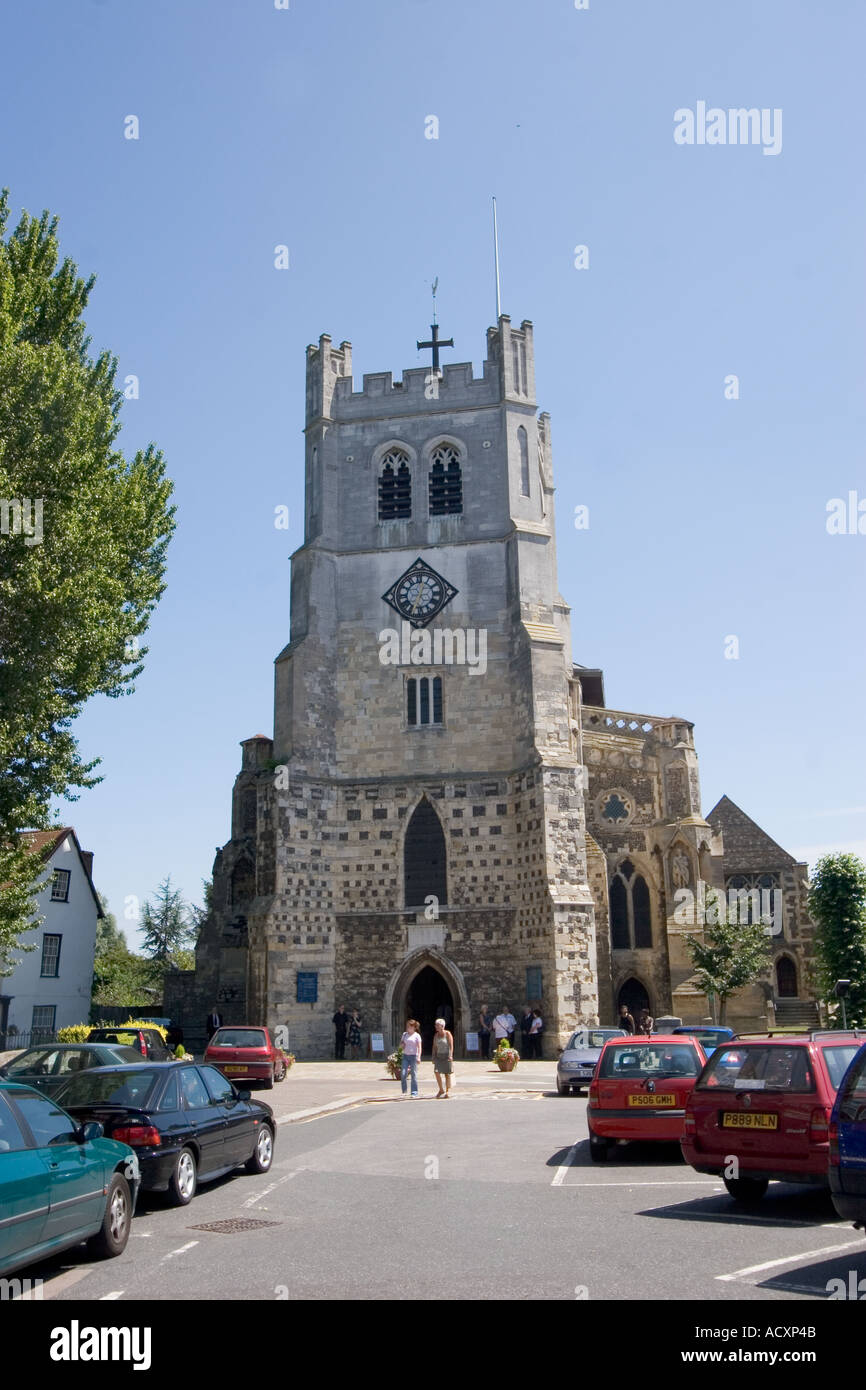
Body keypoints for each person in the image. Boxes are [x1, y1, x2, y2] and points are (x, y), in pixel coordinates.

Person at [432, 1017, 454, 1097]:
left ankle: (448, 1091)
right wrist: (433, 1056)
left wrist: (451, 1055)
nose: (436, 1026)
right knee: (436, 1072)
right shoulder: (436, 1035)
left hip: (446, 1056)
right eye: (435, 1025)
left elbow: (451, 1045)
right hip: (439, 1056)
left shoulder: (447, 1034)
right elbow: (434, 1047)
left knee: (447, 1074)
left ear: (442, 1026)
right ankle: (441, 1089)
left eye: (437, 1025)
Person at [400, 1018, 422, 1097]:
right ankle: (404, 1091)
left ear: (414, 1027)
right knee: (403, 1073)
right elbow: (401, 1045)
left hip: (413, 1056)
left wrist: (418, 1057)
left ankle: (414, 1092)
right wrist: (401, 1046)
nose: (407, 1028)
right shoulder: (404, 1034)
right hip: (406, 1056)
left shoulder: (417, 1036)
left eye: (409, 1027)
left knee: (413, 1074)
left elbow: (419, 1047)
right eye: (407, 1026)